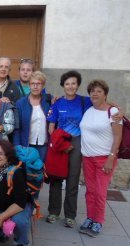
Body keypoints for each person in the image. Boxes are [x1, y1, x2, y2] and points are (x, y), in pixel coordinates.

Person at [46, 70, 92, 228]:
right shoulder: (57, 103)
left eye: (73, 83)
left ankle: (70, 215)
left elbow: (104, 103)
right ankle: (53, 212)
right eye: (67, 84)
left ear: (78, 85)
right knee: (56, 179)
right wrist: (60, 144)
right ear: (63, 86)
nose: (70, 86)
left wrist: (117, 108)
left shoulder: (85, 102)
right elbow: (51, 127)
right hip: (60, 143)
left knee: (73, 180)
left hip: (77, 143)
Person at [79, 80, 122, 237]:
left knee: (100, 192)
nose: (95, 94)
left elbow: (118, 136)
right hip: (88, 158)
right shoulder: (89, 110)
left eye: (99, 91)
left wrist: (111, 157)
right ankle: (90, 217)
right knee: (90, 191)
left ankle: (98, 221)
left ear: (105, 94)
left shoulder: (113, 112)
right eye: (92, 91)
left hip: (104, 158)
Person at [13, 71, 50, 161]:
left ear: (43, 85)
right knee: (27, 172)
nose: (35, 86)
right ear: (29, 85)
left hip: (44, 145)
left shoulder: (48, 101)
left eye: (38, 83)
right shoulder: (20, 103)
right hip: (26, 145)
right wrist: (17, 146)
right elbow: (17, 128)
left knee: (41, 171)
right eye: (33, 83)